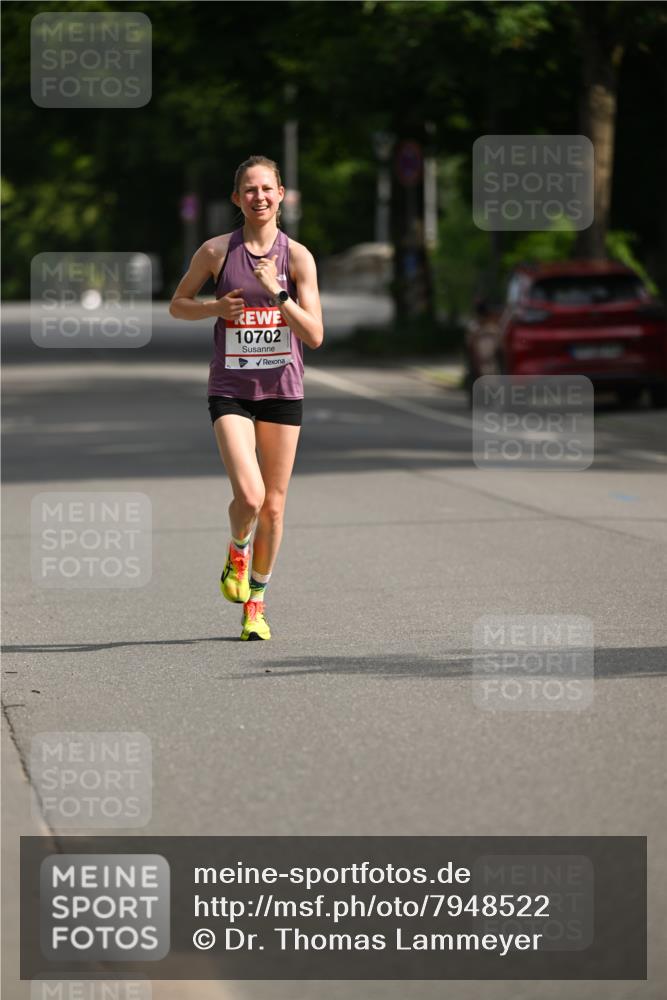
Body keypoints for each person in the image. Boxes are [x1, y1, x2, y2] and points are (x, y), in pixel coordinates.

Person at [170, 156, 323, 640]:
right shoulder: (216, 252)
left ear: (281, 195)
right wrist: (215, 306)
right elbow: (177, 304)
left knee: (275, 506)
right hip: (231, 389)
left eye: (267, 189)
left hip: (282, 389)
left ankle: (255, 604)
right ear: (238, 199)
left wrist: (278, 294)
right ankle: (238, 549)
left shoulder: (297, 258)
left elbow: (315, 335)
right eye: (249, 190)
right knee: (251, 495)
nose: (259, 197)